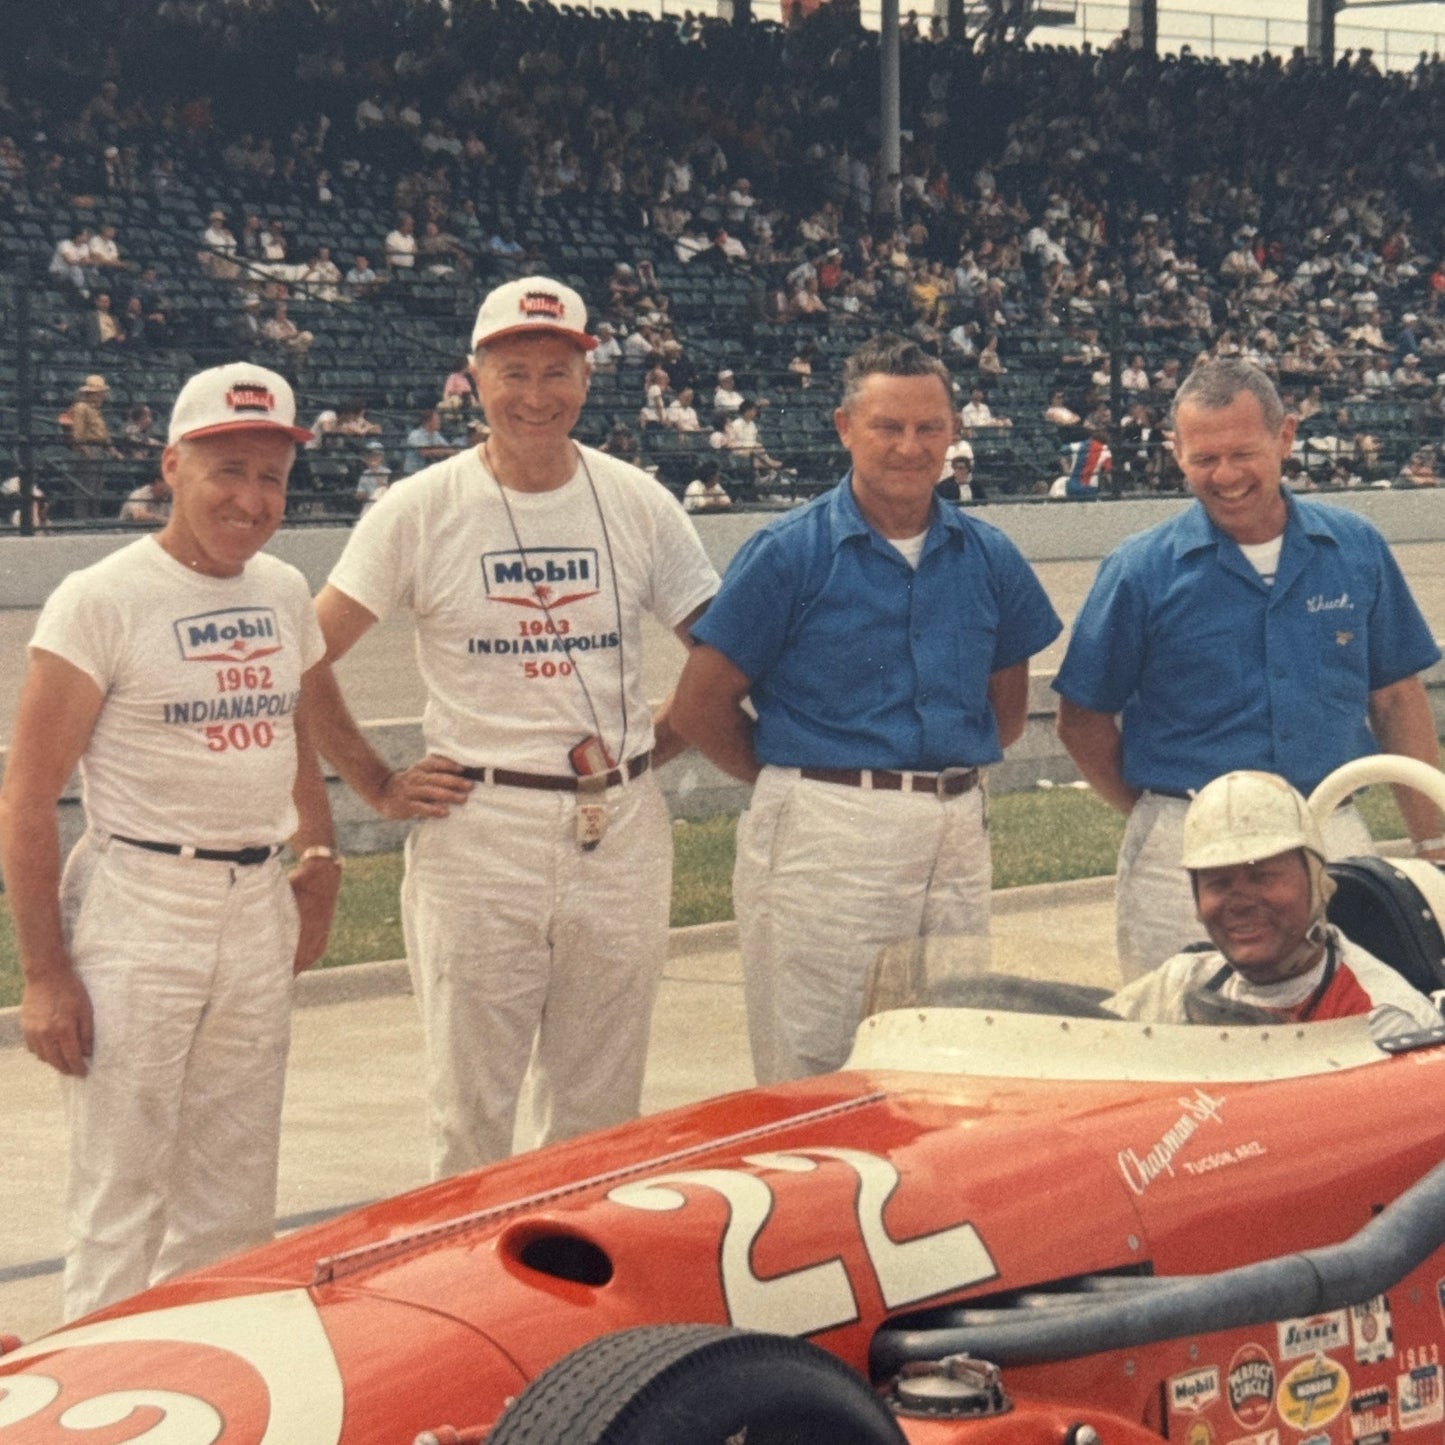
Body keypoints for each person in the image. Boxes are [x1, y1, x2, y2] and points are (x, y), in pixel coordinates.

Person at [309, 277, 719, 1178]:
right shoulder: (418, 507)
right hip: (479, 827)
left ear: (587, 375)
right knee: (470, 1109)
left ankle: (579, 1295)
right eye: (514, 372)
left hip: (617, 825)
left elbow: (721, 652)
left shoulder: (638, 500)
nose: (537, 395)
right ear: (473, 378)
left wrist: (660, 741)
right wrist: (375, 782)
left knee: (601, 1104)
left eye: (558, 371)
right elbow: (300, 656)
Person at [0, 363, 342, 1321]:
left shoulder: (281, 588)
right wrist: (43, 972)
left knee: (236, 1193)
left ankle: (222, 1394)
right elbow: (27, 796)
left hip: (252, 901)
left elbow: (291, 734)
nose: (250, 498)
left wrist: (316, 861)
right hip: (138, 901)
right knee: (122, 1195)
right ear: (171, 465)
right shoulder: (100, 596)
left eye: (271, 477)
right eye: (227, 469)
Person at [672, 334, 1062, 1083]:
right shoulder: (788, 552)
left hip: (954, 820)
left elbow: (1005, 712)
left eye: (928, 427)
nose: (910, 447)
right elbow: (699, 705)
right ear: (845, 427)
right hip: (828, 823)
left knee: (946, 1051)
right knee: (818, 1059)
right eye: (887, 426)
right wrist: (798, 780)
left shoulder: (988, 555)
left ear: (953, 432)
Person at [1055, 358, 1444, 982]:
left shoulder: (1356, 547)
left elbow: (1397, 700)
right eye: (1204, 459)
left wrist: (1433, 846)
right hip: (1185, 847)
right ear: (1176, 452)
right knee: (1181, 1039)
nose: (1226, 476)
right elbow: (1082, 721)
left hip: (1329, 830)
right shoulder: (1139, 569)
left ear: (1285, 437)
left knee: (1350, 1035)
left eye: (1243, 453)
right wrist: (1159, 815)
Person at [1105, 771, 1440, 1042]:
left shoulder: (1384, 1020)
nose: (1240, 902)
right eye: (1218, 883)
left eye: (1262, 877)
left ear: (1316, 885)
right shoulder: (1182, 984)